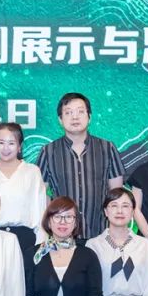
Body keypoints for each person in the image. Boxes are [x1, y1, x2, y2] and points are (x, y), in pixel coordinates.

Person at [36, 92, 124, 239]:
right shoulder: (48, 151)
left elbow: (116, 194)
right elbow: (40, 194)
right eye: (68, 113)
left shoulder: (107, 148)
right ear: (60, 120)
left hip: (100, 235)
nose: (75, 117)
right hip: (62, 235)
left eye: (80, 112)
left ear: (89, 117)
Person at [0, 122, 48, 264]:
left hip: (25, 240)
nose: (6, 148)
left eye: (11, 143)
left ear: (19, 146)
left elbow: (41, 211)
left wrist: (40, 246)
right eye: (1, 142)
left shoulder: (32, 172)